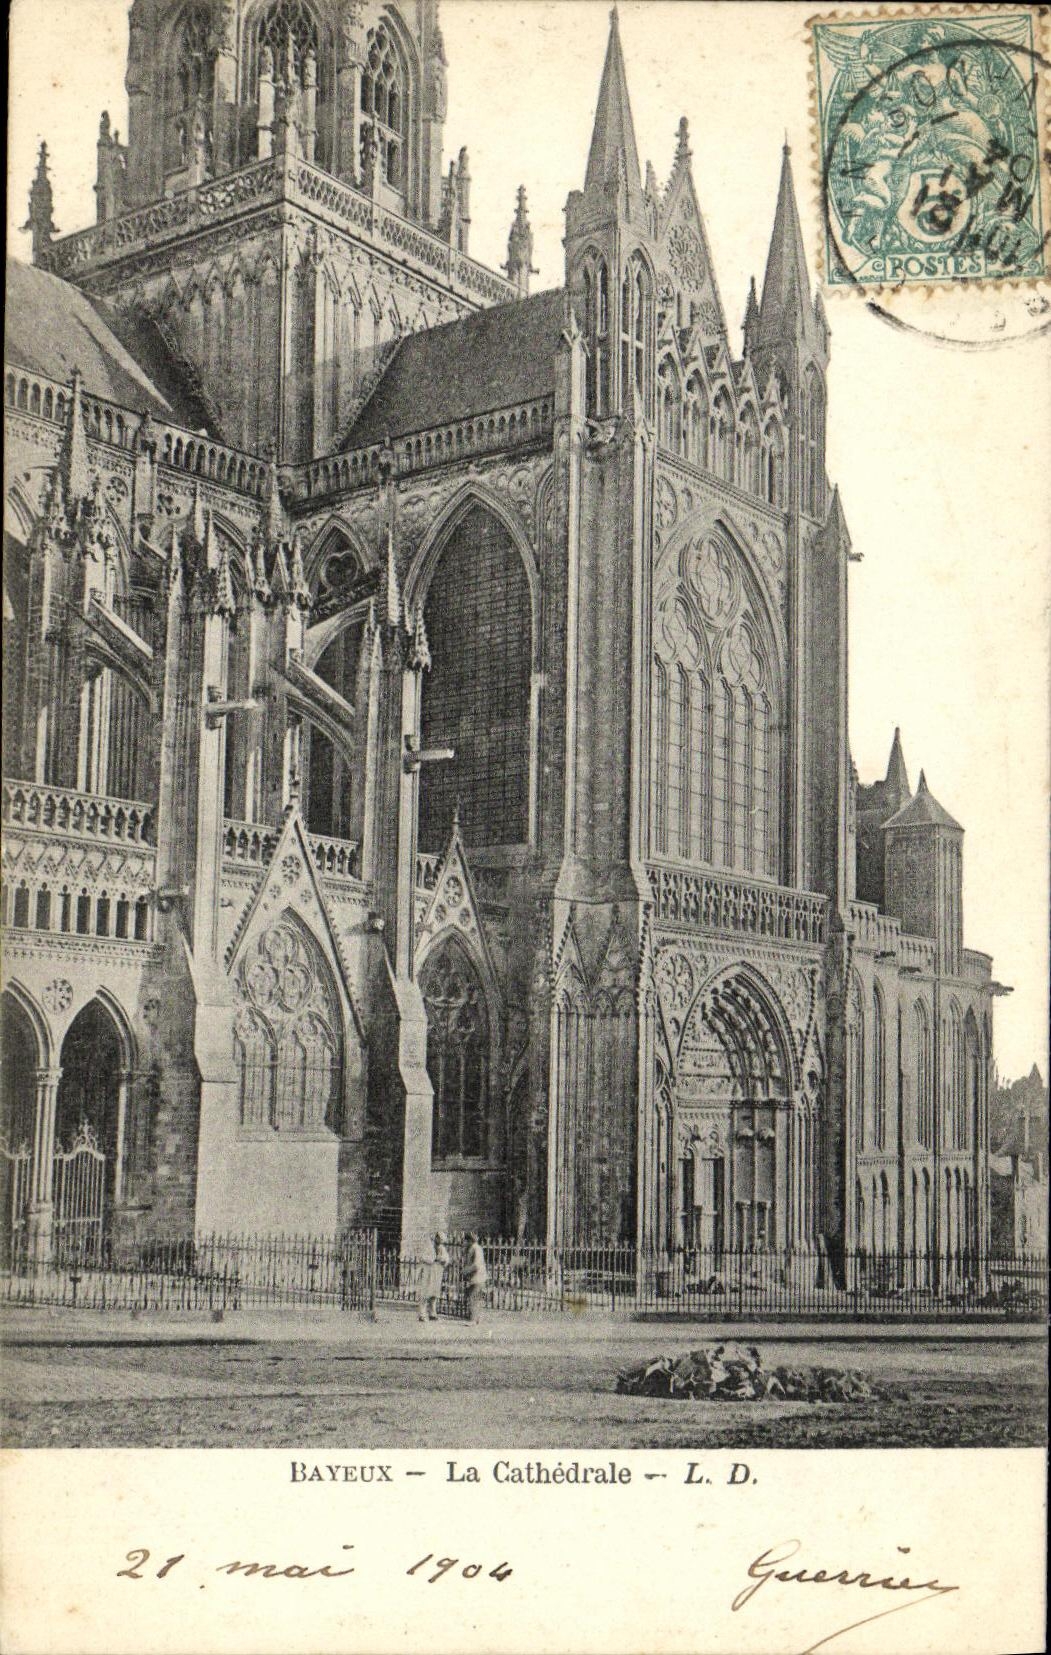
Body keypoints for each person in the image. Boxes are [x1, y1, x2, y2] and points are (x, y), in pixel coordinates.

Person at [418, 1232, 448, 1322]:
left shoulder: (442, 1248)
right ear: (436, 1238)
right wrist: (432, 1259)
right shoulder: (428, 1247)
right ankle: (422, 1314)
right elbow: (422, 1257)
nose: (440, 1242)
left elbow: (446, 1258)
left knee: (434, 1294)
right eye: (439, 1239)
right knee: (425, 1293)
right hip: (428, 1272)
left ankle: (432, 1314)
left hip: (437, 1272)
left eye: (442, 1241)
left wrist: (443, 1260)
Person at [463, 1232, 487, 1324]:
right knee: (477, 1297)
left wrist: (466, 1271)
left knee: (473, 1297)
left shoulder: (475, 1248)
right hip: (478, 1276)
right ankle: (477, 1318)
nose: (464, 1243)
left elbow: (476, 1264)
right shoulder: (475, 1248)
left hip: (477, 1276)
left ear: (469, 1240)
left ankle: (473, 1319)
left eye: (465, 1241)